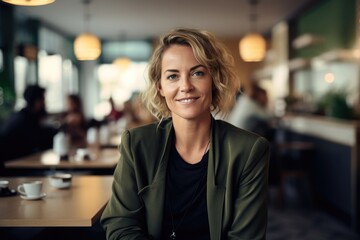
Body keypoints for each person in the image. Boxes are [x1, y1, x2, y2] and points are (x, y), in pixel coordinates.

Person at [100, 28, 270, 240]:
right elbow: (121, 223)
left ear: (214, 80)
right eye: (173, 76)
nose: (186, 86)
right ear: (160, 87)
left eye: (197, 73)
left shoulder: (248, 150)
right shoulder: (136, 144)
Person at [0, 85, 57, 161]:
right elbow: (42, 140)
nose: (45, 103)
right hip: (11, 168)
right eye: (43, 99)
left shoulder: (21, 116)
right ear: (36, 101)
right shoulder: (24, 121)